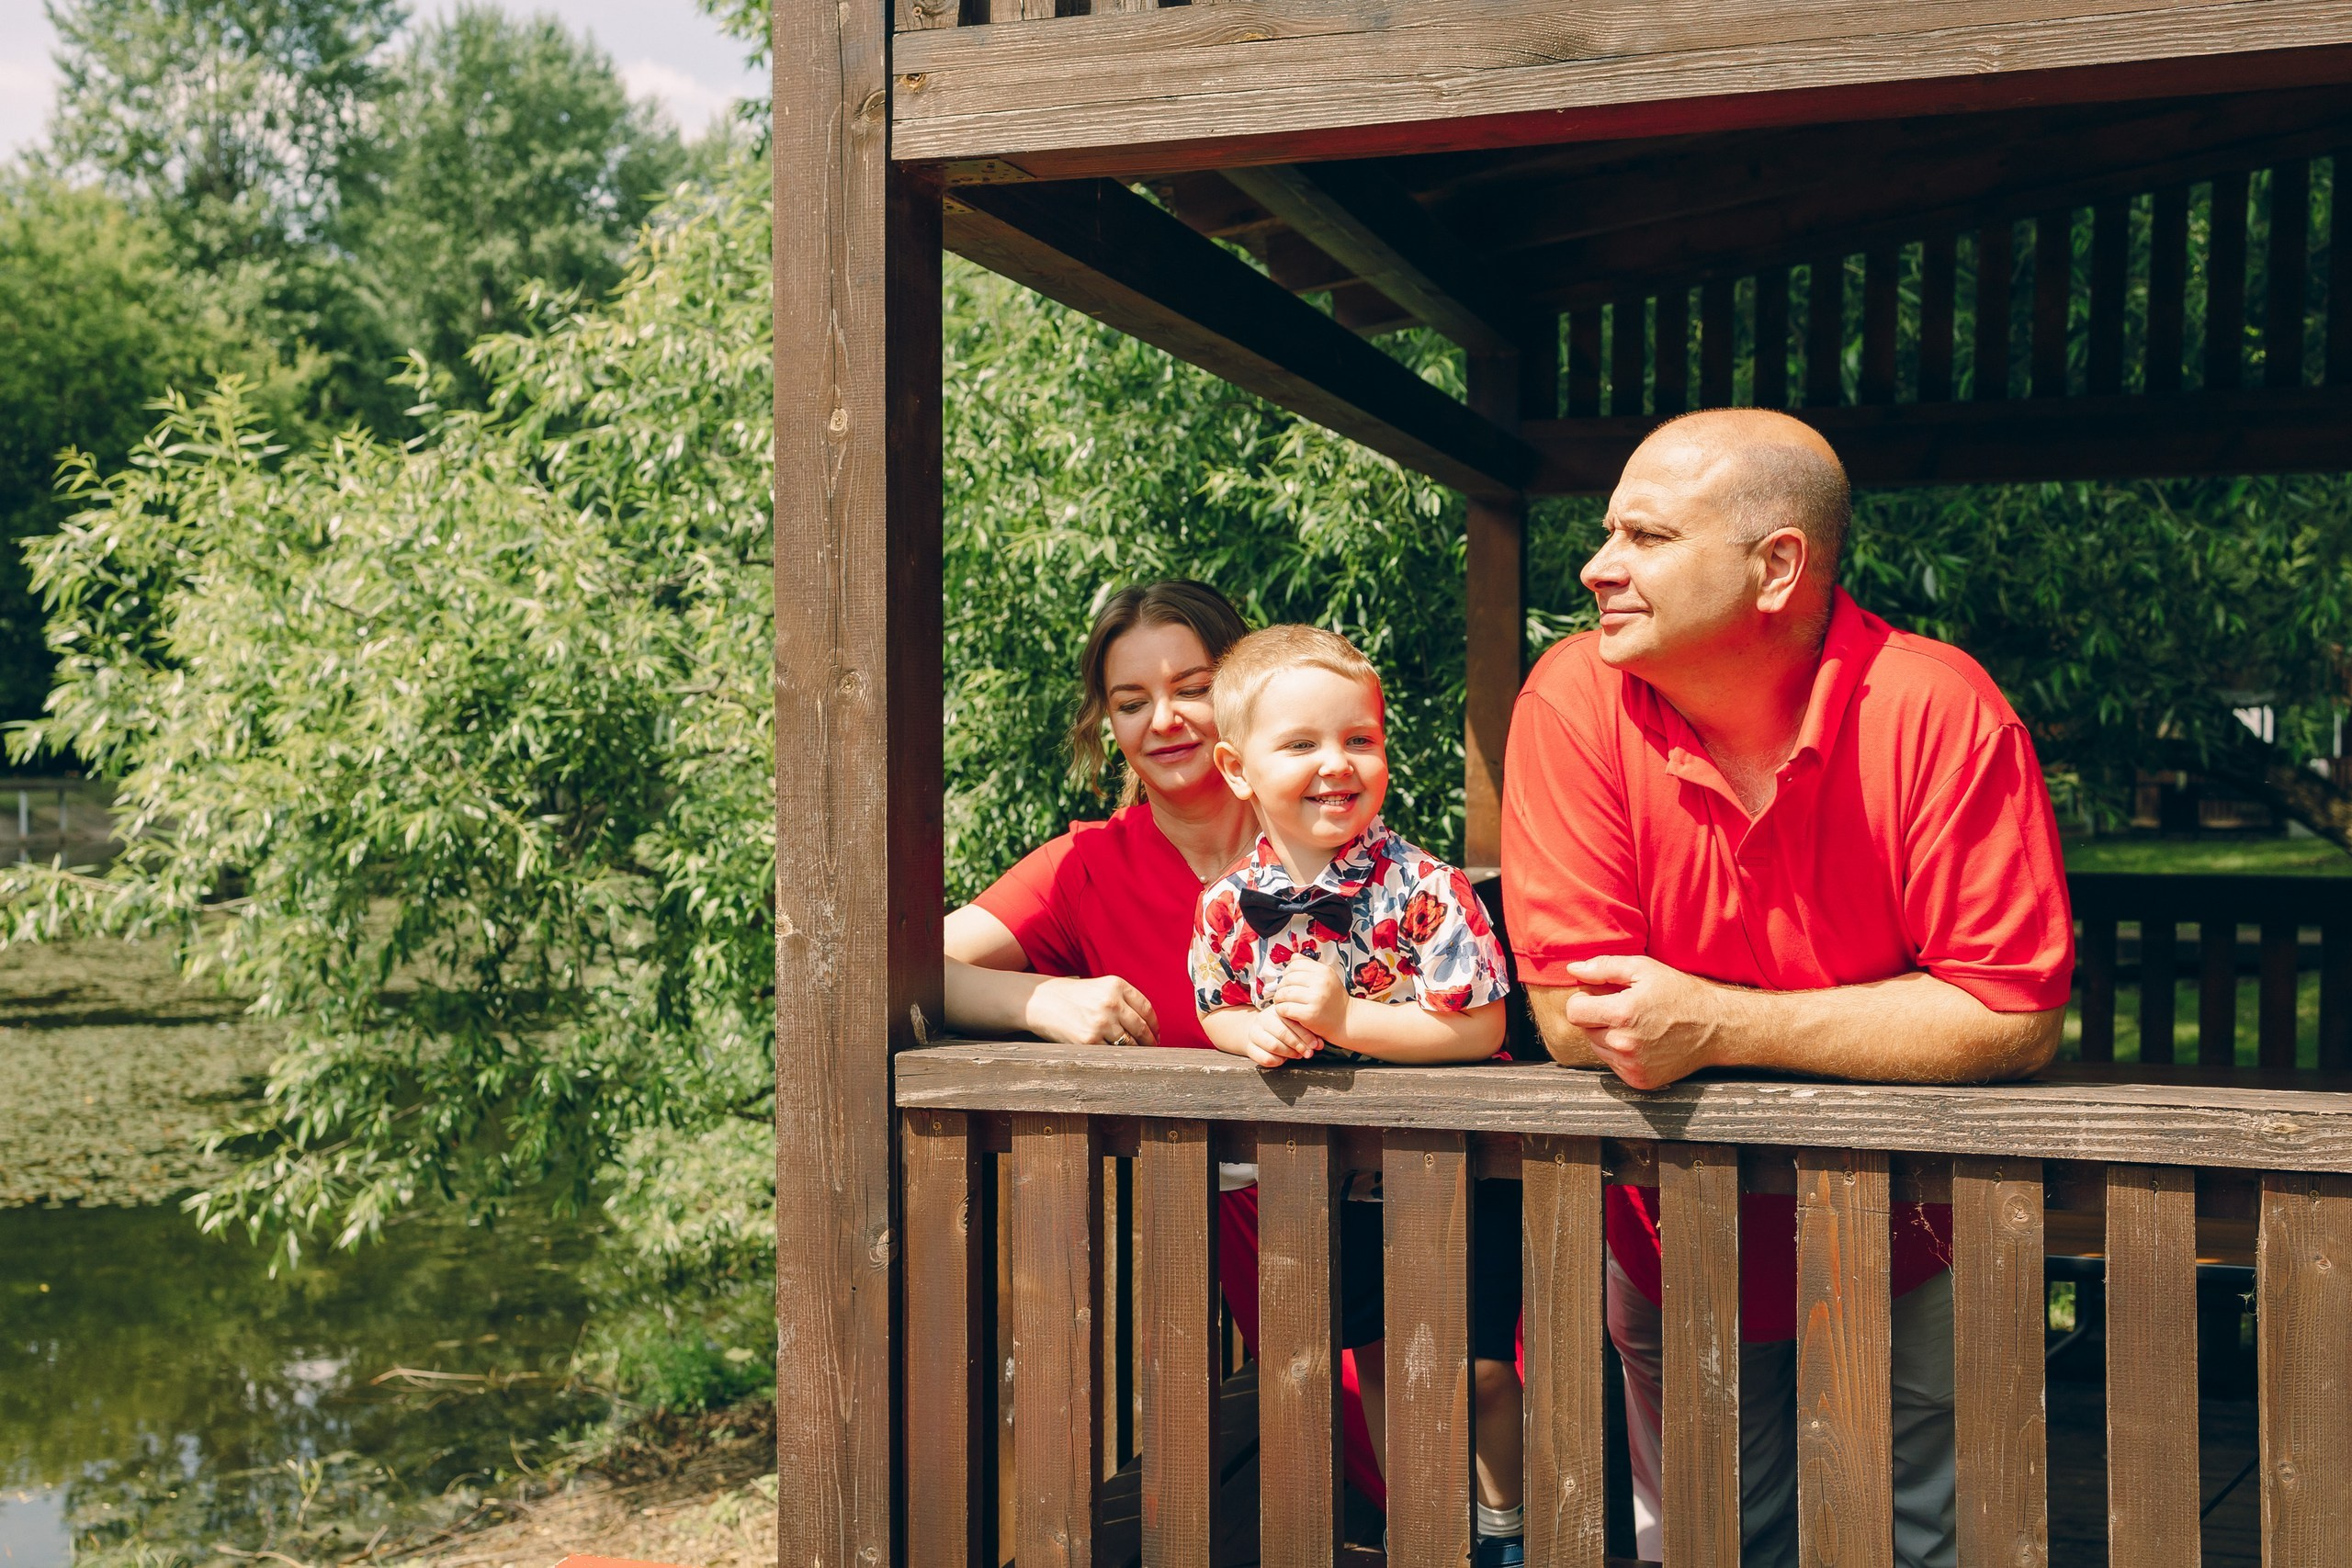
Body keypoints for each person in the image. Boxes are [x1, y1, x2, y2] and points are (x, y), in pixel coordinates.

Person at [1499, 409, 2074, 1568]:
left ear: (1775, 568)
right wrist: (1887, 1012)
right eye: (1606, 530)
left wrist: (1716, 1021)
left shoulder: (1937, 707)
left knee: (1919, 1543)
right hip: (1667, 1225)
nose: (1596, 565)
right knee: (1708, 1546)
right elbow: (1575, 1013)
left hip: (1912, 1226)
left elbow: (2011, 1015)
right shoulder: (1570, 697)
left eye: (1645, 537)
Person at [941, 581, 1390, 1509]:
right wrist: (1040, 1000)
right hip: (1250, 1237)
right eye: (1130, 702)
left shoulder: (1332, 825)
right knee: (1370, 1474)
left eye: (1190, 686)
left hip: (1394, 1199)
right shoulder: (1083, 866)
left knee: (1480, 1441)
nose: (1165, 719)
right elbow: (904, 969)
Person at [1192, 624, 1528, 1568]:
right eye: (1300, 744)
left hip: (1459, 1165)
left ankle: (1505, 1532)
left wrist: (1348, 1024)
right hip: (1336, 1177)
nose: (1337, 764)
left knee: (1481, 1366)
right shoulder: (1228, 903)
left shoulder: (1428, 886)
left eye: (1360, 740)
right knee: (1373, 1354)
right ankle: (1418, 1523)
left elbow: (1481, 1030)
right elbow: (1215, 1000)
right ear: (1236, 768)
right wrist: (1246, 1032)